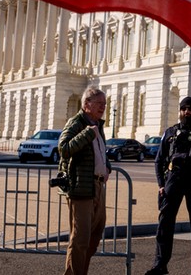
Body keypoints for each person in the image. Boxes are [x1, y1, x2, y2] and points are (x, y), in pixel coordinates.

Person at [145, 96, 191, 275]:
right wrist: (161, 184)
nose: (187, 112)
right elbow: (159, 160)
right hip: (174, 180)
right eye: (184, 109)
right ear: (180, 111)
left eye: (190, 109)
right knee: (165, 224)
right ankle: (160, 265)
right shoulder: (170, 132)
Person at [58, 87, 110, 275]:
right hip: (81, 187)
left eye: (105, 104)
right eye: (99, 103)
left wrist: (107, 167)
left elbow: (101, 152)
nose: (103, 107)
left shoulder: (97, 125)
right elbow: (64, 148)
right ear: (87, 104)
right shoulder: (76, 123)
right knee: (80, 238)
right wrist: (87, 134)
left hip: (98, 186)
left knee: (95, 236)